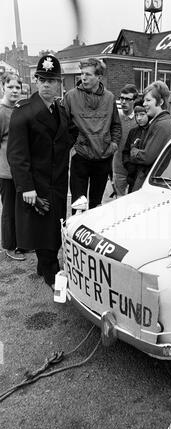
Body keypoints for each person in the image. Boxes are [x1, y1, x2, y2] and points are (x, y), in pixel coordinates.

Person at [7, 55, 73, 289]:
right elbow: (16, 155)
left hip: (56, 183)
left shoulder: (60, 110)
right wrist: (26, 187)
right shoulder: (23, 112)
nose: (46, 84)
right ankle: (51, 273)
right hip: (37, 185)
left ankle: (43, 264)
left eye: (51, 80)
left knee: (54, 226)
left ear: (59, 83)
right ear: (35, 81)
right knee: (44, 231)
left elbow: (66, 136)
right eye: (42, 79)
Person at [63, 58, 122, 209]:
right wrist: (73, 148)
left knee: (96, 206)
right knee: (78, 206)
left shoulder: (109, 98)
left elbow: (116, 125)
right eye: (82, 74)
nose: (83, 77)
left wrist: (113, 145)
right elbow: (63, 126)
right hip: (81, 157)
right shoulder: (70, 97)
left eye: (88, 74)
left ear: (99, 77)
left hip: (103, 158)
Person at [128, 81, 171, 191]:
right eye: (144, 100)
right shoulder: (157, 122)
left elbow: (147, 157)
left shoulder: (162, 125)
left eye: (148, 100)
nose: (144, 104)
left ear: (160, 102)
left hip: (150, 184)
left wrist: (133, 150)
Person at [0, 72, 25, 261]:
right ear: (3, 87)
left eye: (18, 87)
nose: (15, 90)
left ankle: (21, 243)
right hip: (6, 171)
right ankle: (9, 245)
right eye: (11, 87)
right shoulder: (1, 111)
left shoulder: (20, 109)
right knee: (9, 210)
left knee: (21, 209)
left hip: (20, 170)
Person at [112, 84, 139, 197]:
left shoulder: (140, 119)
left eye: (127, 99)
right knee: (119, 201)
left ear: (134, 101)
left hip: (135, 169)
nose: (123, 102)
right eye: (121, 98)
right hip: (118, 168)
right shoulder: (116, 117)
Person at [122, 98, 149, 193]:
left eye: (142, 114)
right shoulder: (133, 132)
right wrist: (128, 164)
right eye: (136, 115)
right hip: (132, 179)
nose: (139, 118)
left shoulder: (152, 131)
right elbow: (125, 151)